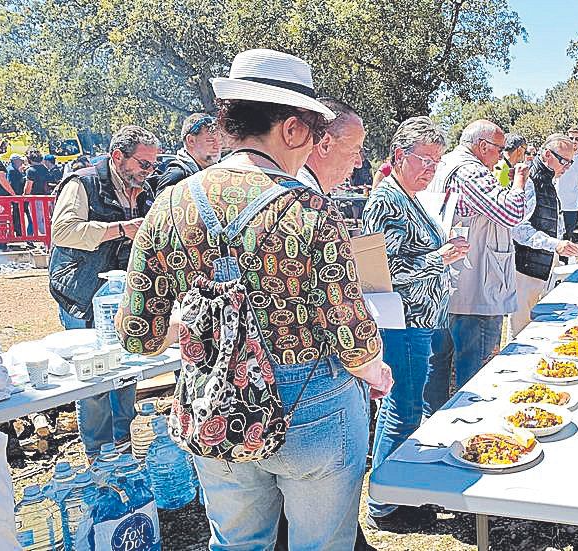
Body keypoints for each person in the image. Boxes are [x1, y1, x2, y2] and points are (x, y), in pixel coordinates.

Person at [116, 49, 393, 550]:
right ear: (291, 129)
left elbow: (138, 333)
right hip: (313, 407)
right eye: (313, 133)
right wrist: (376, 372)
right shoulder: (310, 209)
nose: (313, 147)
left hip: (213, 403)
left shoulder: (170, 202)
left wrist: (207, 323)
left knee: (237, 543)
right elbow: (352, 332)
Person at [363, 116, 468, 531]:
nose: (431, 168)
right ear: (398, 156)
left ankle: (395, 493)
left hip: (417, 319)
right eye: (424, 158)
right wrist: (438, 257)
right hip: (402, 321)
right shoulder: (387, 199)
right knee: (402, 409)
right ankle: (385, 505)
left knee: (404, 408)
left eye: (436, 160)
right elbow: (384, 270)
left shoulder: (406, 195)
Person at [48, 125, 159, 458]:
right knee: (94, 381)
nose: (149, 172)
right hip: (80, 293)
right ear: (117, 157)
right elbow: (62, 231)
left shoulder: (142, 187)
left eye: (153, 165)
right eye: (143, 164)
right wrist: (120, 228)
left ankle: (122, 444)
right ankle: (99, 453)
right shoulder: (82, 183)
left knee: (126, 371)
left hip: (121, 295)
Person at [300, 97, 377, 551]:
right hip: (312, 390)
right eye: (355, 150)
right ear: (322, 143)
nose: (360, 162)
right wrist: (370, 364)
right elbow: (340, 311)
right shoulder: (307, 204)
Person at [424, 119, 527, 413]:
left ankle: (434, 430)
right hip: (476, 289)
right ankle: (469, 433)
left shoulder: (442, 165)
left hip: (445, 286)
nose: (501, 156)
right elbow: (512, 212)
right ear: (482, 146)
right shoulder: (471, 170)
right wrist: (518, 180)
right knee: (475, 376)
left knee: (438, 368)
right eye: (499, 149)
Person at [510, 134, 578, 336]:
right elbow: (518, 229)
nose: (567, 166)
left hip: (541, 267)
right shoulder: (530, 181)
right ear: (547, 154)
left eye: (571, 161)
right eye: (564, 161)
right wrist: (554, 244)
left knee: (536, 328)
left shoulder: (548, 180)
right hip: (525, 269)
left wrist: (561, 245)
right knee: (522, 332)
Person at [152, 112, 222, 195]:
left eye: (220, 141)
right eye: (210, 141)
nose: (217, 146)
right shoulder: (177, 175)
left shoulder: (218, 172)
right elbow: (160, 206)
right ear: (191, 141)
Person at [556, 127, 578, 245]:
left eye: (577, 138)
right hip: (555, 204)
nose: (574, 141)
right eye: (571, 138)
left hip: (571, 207)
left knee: (566, 241)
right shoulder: (558, 154)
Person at [24, 148, 51, 236]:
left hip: (35, 199)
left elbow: (28, 187)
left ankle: (48, 242)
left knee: (38, 222)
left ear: (29, 159)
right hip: (47, 198)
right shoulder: (44, 168)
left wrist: (24, 196)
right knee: (46, 220)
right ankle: (48, 242)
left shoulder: (30, 171)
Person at [6, 154, 26, 238]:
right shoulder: (12, 170)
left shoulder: (12, 169)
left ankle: (17, 232)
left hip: (15, 196)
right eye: (20, 160)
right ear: (15, 161)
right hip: (15, 196)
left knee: (16, 214)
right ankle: (18, 233)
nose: (21, 162)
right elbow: (11, 184)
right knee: (16, 215)